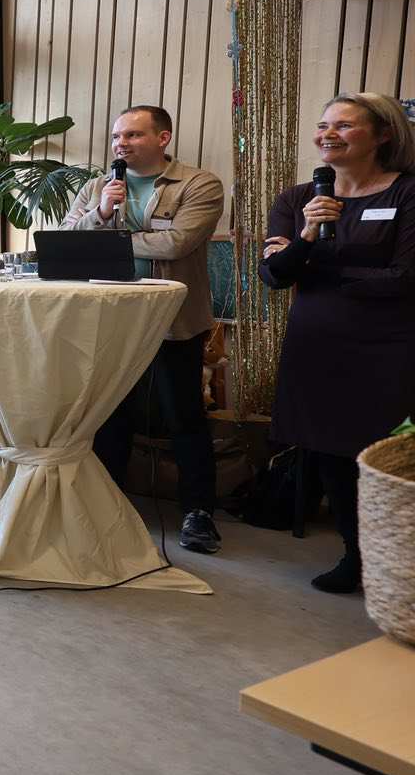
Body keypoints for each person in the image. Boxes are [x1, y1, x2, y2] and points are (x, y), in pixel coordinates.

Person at [260, 92, 415, 593]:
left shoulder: (407, 194)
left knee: (391, 453)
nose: (328, 134)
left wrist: (319, 266)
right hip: (318, 344)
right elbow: (274, 275)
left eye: (345, 126)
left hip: (392, 344)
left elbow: (405, 278)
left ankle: (402, 557)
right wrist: (307, 235)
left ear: (382, 134)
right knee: (331, 452)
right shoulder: (296, 198)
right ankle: (357, 555)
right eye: (324, 125)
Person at [64, 105, 227, 554]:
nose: (121, 144)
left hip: (173, 319)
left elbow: (179, 243)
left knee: (184, 417)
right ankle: (108, 504)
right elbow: (66, 238)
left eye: (134, 135)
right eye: (118, 136)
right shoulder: (98, 186)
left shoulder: (198, 183)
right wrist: (100, 213)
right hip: (109, 318)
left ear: (163, 138)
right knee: (110, 415)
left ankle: (199, 513)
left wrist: (101, 240)